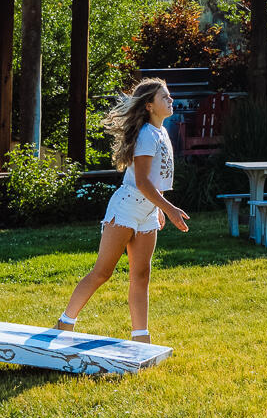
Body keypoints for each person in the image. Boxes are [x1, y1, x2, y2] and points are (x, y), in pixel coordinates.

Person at [56, 78, 190, 343]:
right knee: (103, 272)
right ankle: (65, 322)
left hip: (149, 211)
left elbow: (155, 180)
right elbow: (141, 182)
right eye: (165, 97)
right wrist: (171, 209)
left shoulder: (161, 132)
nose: (171, 100)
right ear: (150, 105)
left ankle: (141, 338)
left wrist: (159, 207)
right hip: (127, 207)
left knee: (141, 276)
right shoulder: (145, 136)